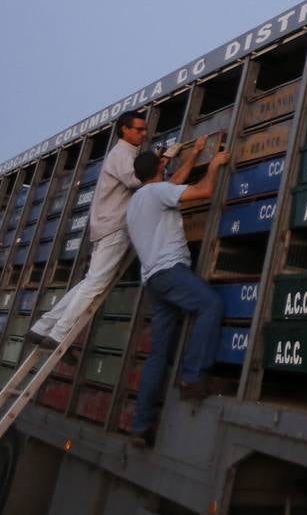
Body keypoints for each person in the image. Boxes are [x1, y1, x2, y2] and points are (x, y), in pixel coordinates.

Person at [26, 111, 203, 354]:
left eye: (144, 129)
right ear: (124, 130)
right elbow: (140, 181)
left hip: (105, 225)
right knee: (96, 284)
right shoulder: (121, 153)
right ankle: (58, 333)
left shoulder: (127, 155)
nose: (143, 134)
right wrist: (165, 162)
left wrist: (161, 162)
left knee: (90, 281)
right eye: (138, 129)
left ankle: (42, 325)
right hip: (115, 226)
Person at [125, 146, 229, 448]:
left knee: (158, 355)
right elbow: (204, 191)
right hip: (170, 271)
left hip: (153, 280)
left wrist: (195, 155)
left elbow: (173, 182)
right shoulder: (158, 192)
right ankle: (192, 376)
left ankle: (141, 427)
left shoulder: (137, 201)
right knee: (211, 304)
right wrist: (216, 164)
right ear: (159, 169)